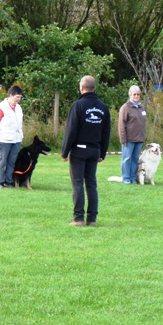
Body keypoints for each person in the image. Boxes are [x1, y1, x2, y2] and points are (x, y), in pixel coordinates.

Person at [61, 76, 111, 227]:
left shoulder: (78, 105)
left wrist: (65, 151)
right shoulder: (103, 107)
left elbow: (71, 130)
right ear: (94, 88)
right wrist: (102, 153)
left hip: (79, 150)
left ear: (81, 88)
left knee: (77, 184)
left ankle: (78, 218)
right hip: (94, 150)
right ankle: (92, 219)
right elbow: (106, 132)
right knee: (91, 184)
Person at [0, 85, 24, 189]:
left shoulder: (18, 108)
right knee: (2, 161)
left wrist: (21, 136)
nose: (18, 99)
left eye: (20, 97)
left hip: (16, 139)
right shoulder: (1, 107)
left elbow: (19, 124)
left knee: (11, 162)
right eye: (17, 97)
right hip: (4, 139)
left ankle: (8, 181)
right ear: (11, 95)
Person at [118, 85, 146, 184]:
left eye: (138, 94)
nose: (136, 96)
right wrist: (123, 139)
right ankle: (126, 178)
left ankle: (133, 178)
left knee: (135, 160)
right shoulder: (125, 107)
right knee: (126, 159)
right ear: (130, 95)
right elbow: (121, 125)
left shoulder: (141, 108)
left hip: (139, 139)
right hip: (129, 139)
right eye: (134, 94)